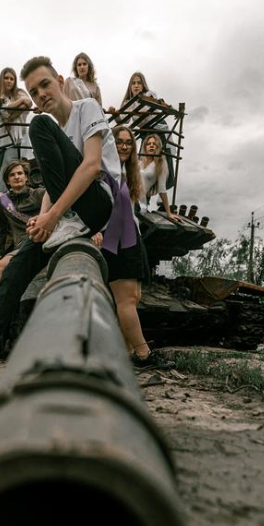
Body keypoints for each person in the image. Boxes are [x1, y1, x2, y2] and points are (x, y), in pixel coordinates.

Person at [0, 56, 121, 380]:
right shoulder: (56, 131)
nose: (40, 94)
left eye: (45, 84)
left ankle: (69, 224)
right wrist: (43, 218)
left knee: (38, 124)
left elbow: (90, 167)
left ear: (60, 82)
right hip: (69, 214)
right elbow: (53, 186)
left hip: (100, 203)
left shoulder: (86, 108)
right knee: (16, 267)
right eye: (33, 91)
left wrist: (55, 215)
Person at [94, 124, 168, 368]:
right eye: (119, 141)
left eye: (128, 142)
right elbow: (94, 203)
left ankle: (122, 353)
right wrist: (95, 229)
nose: (124, 146)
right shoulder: (103, 170)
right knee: (125, 299)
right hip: (114, 237)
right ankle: (144, 354)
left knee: (133, 297)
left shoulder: (129, 172)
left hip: (131, 234)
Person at [0, 159, 48, 304]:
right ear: (8, 181)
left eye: (20, 173)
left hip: (41, 241)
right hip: (20, 247)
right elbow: (2, 229)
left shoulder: (40, 194)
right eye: (12, 175)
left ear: (26, 177)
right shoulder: (3, 201)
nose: (17, 177)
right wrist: (0, 253)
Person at [0, 67, 33, 195]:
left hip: (14, 139)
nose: (9, 81)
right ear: (1, 80)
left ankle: (1, 194)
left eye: (12, 79)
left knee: (9, 165)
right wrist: (20, 103)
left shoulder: (18, 93)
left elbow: (29, 103)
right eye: (6, 78)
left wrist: (17, 106)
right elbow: (4, 112)